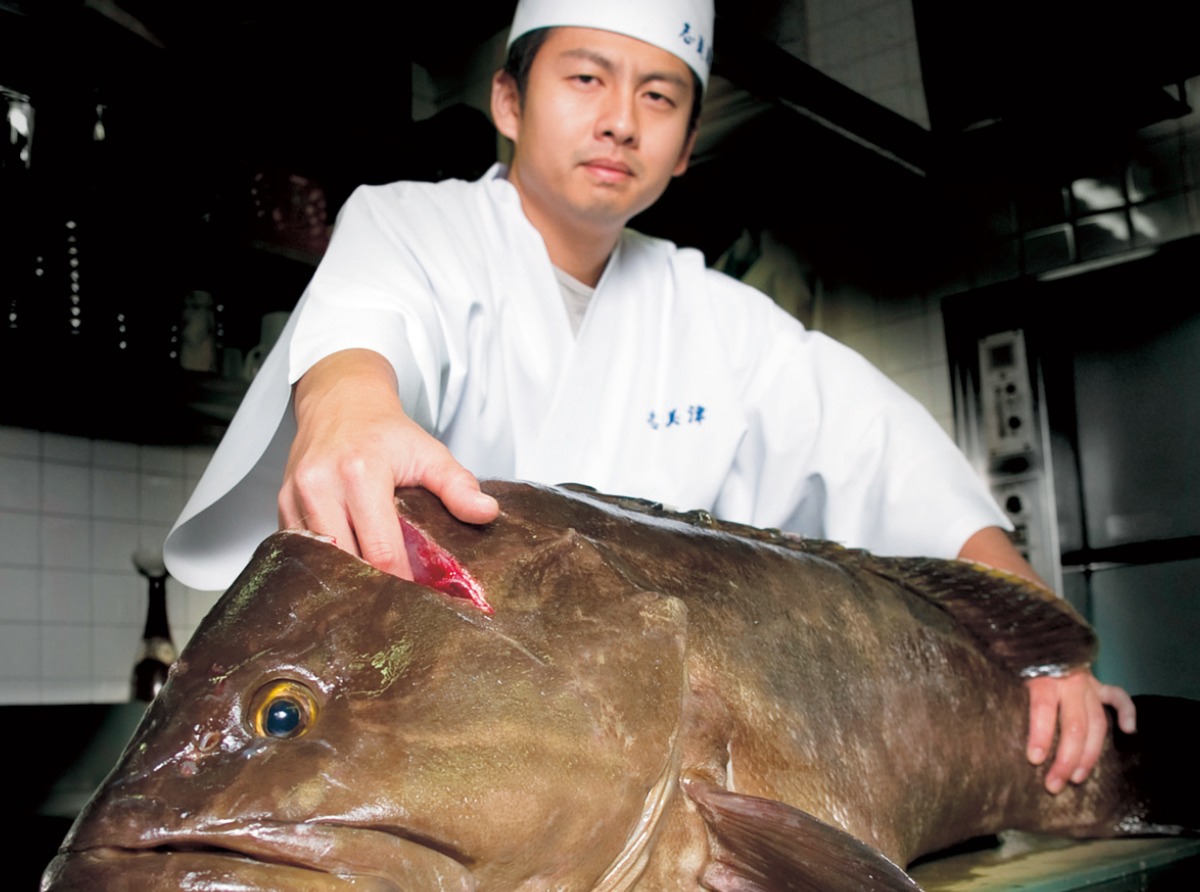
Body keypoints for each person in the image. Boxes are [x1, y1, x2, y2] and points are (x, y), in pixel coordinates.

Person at [164, 0, 1133, 795]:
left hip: (662, 793)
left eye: (659, 94)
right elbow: (364, 329)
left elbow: (886, 454)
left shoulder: (718, 318)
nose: (621, 118)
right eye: (585, 78)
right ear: (508, 99)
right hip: (431, 778)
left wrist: (1040, 637)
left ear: (682, 148)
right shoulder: (418, 229)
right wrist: (347, 407)